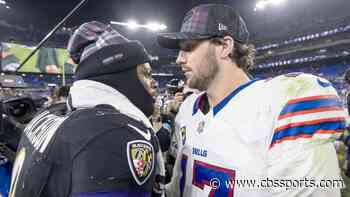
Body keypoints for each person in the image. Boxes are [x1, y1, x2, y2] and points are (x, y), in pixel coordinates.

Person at [157, 4, 347, 197]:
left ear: (225, 46)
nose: (179, 59)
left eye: (188, 48)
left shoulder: (278, 105)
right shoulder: (188, 108)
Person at [9, 21, 165, 197]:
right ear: (122, 76)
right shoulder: (115, 133)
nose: (154, 83)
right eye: (146, 73)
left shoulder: (51, 113)